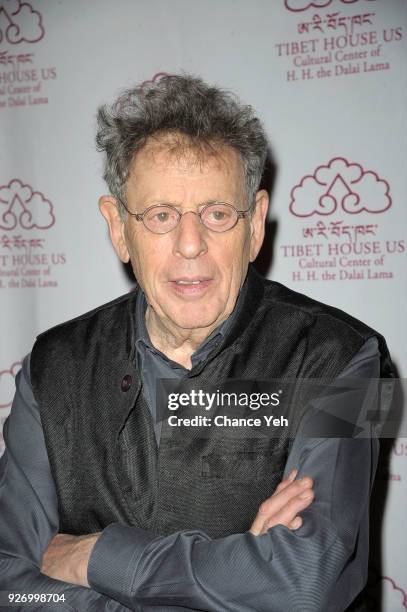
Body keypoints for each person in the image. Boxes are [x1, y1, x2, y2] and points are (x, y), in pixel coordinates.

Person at [0, 74, 393, 612]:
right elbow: (9, 581)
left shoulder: (356, 357)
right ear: (119, 228)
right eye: (161, 216)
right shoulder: (50, 365)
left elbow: (308, 584)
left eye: (216, 214)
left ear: (254, 224)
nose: (191, 244)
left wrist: (94, 559)